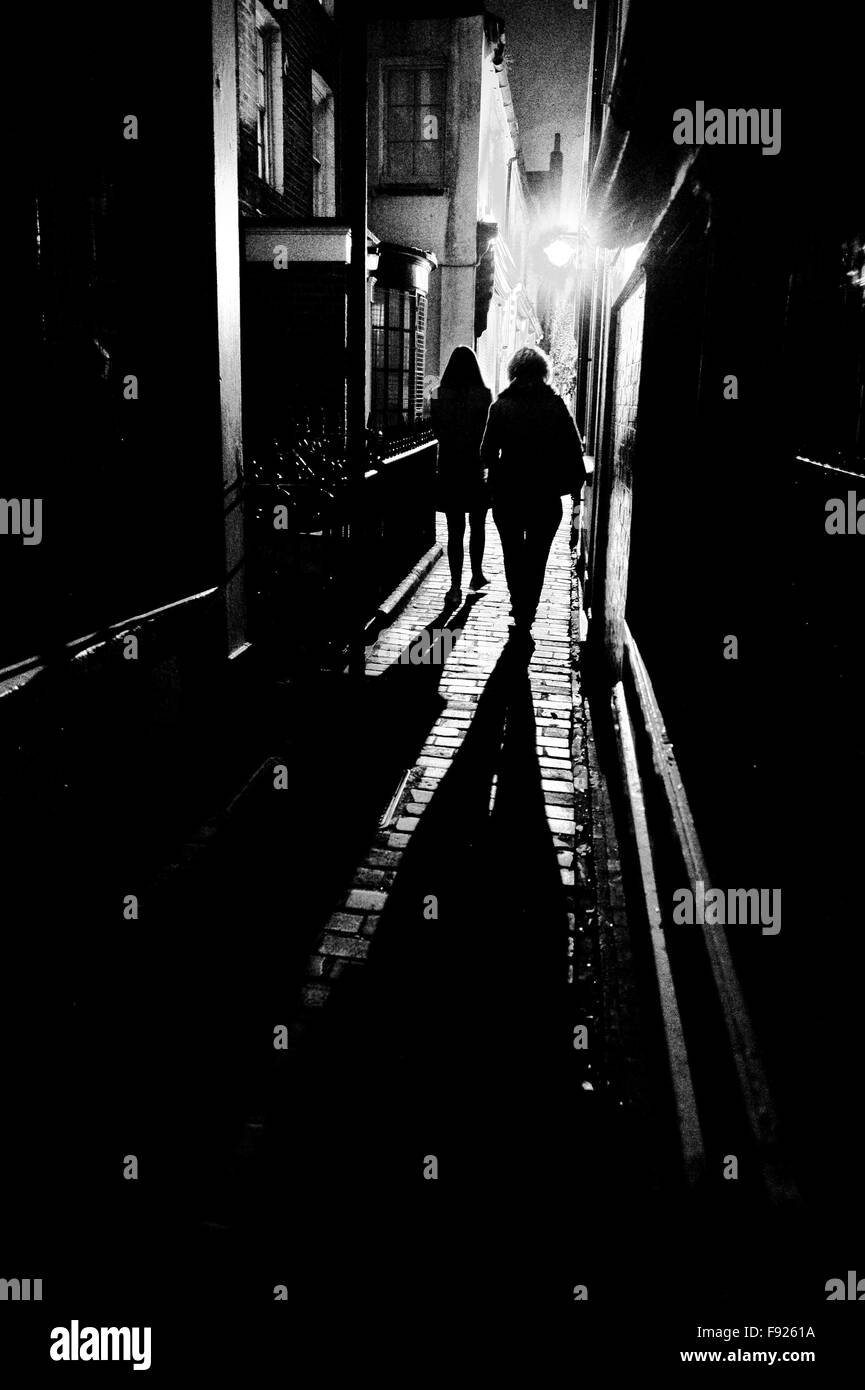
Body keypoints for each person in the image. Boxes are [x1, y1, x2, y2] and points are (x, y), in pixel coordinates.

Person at [480, 345, 586, 642]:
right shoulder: (556, 406)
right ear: (543, 372)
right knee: (537, 558)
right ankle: (529, 612)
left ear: (513, 372)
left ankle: (518, 607)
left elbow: (486, 453)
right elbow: (574, 448)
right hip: (545, 496)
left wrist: (503, 468)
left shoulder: (500, 407)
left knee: (513, 554)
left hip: (508, 496)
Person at [430, 346, 492, 605]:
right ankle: (476, 575)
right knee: (477, 526)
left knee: (455, 531)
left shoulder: (439, 396)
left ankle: (454, 586)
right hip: (475, 468)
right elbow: (487, 433)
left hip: (450, 468)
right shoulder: (485, 395)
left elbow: (436, 431)